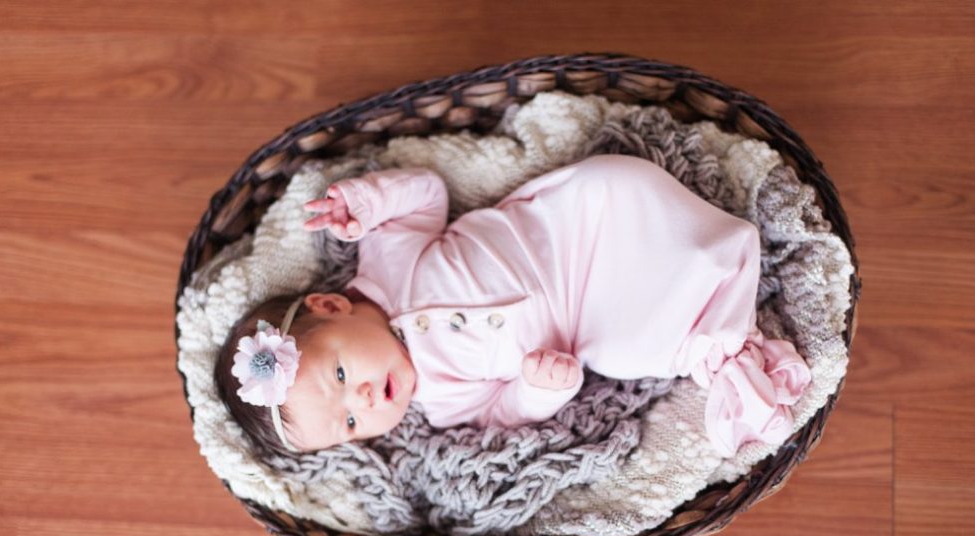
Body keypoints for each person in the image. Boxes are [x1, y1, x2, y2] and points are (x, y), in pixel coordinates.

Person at [215, 154, 811, 457]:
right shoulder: (444, 400)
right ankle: (729, 353)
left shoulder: (385, 259)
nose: (364, 401)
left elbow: (426, 193)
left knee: (613, 185)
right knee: (636, 347)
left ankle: (700, 239)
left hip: (565, 235)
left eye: (341, 375)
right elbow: (505, 413)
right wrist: (539, 388)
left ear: (331, 306)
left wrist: (368, 203)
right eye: (350, 423)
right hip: (585, 315)